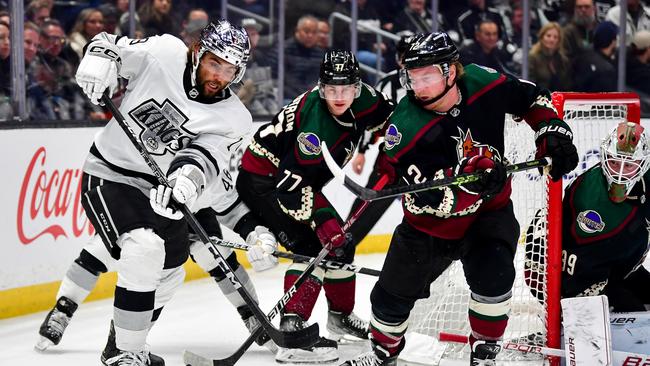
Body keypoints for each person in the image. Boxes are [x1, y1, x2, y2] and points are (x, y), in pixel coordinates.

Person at [37, 20, 272, 366]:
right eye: (213, 63)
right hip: (112, 172)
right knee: (141, 249)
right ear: (197, 53)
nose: (218, 76)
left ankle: (123, 339)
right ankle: (112, 342)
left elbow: (204, 158)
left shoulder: (233, 118)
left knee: (171, 271)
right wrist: (100, 58)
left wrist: (186, 182)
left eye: (229, 69)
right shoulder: (165, 52)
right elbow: (109, 43)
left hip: (165, 195)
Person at [341, 32, 578, 366]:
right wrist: (475, 181)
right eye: (413, 78)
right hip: (430, 228)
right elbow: (429, 201)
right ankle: (383, 353)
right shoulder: (404, 129)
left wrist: (550, 130)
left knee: (495, 280)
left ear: (451, 71)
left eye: (428, 76)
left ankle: (483, 353)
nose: (419, 86)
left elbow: (532, 99)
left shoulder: (483, 82)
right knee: (389, 299)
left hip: (488, 215)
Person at [237, 50, 394, 363]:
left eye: (346, 89)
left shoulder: (367, 98)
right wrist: (323, 221)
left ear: (357, 87)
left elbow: (395, 118)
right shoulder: (315, 130)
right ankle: (292, 327)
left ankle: (340, 317)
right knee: (312, 247)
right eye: (332, 89)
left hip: (296, 180)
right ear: (322, 88)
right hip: (265, 181)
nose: (339, 96)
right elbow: (291, 188)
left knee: (342, 246)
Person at [526, 121, 650, 312]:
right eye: (615, 162)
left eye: (629, 166)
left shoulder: (643, 180)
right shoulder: (590, 197)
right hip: (580, 279)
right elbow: (584, 265)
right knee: (633, 315)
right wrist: (572, 303)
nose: (619, 173)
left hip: (617, 268)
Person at [345, 33, 413, 246]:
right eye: (404, 56)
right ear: (397, 57)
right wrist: (363, 152)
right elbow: (372, 117)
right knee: (369, 202)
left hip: (427, 157)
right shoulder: (387, 83)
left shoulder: (433, 81)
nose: (408, 61)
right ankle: (343, 243)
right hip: (393, 157)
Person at [528, 22, 572, 92]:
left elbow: (567, 85)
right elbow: (530, 83)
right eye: (548, 36)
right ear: (542, 37)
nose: (552, 40)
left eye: (555, 37)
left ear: (559, 40)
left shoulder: (563, 59)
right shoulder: (533, 57)